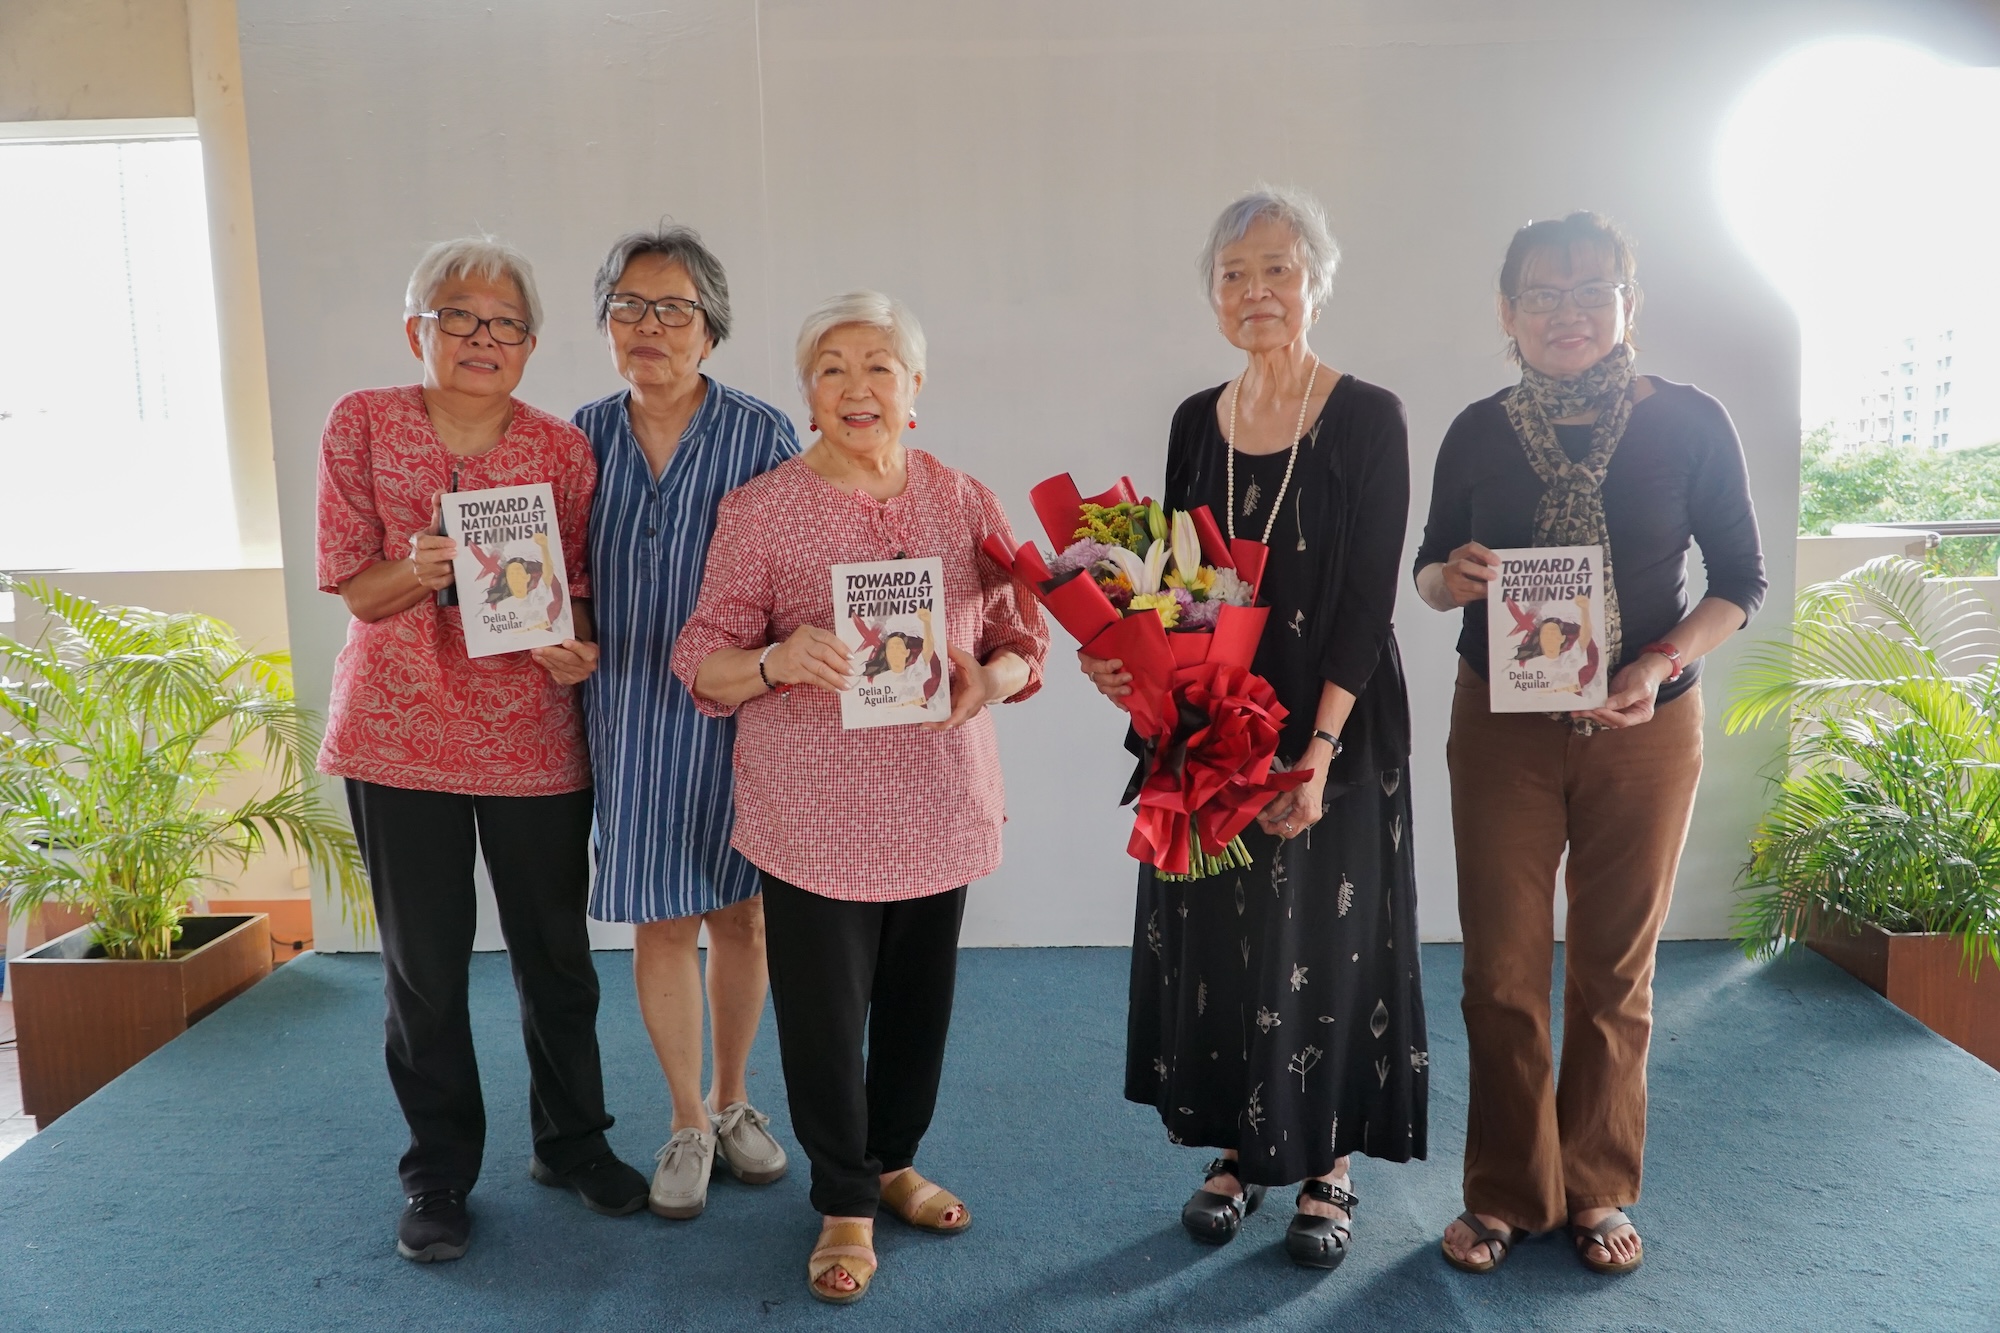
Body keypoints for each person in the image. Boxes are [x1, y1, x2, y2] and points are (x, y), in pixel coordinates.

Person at [673, 291, 1047, 1304]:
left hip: (938, 799)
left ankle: (893, 1162)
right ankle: (843, 1197)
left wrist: (990, 680)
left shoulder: (964, 499)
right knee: (826, 1018)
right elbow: (699, 660)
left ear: (914, 390)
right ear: (807, 394)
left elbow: (1025, 637)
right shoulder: (761, 511)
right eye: (830, 367)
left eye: (878, 365)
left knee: (918, 1008)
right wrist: (778, 657)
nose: (855, 386)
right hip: (815, 816)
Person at [1080, 188, 1427, 1270]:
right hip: (1208, 729)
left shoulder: (1366, 414)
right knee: (1224, 939)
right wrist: (1127, 666)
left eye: (1277, 269)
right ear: (1213, 296)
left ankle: (1327, 1162)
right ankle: (1234, 1143)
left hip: (1332, 718)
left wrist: (1316, 753)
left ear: (1315, 280)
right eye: (1233, 275)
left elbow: (1368, 600)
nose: (1256, 292)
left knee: (1328, 937)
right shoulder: (1196, 419)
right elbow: (1176, 589)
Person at [1414, 212, 1765, 1276]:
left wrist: (1656, 664)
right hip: (1500, 728)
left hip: (1645, 729)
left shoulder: (1690, 422)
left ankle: (1598, 1185)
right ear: (1505, 311)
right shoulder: (1477, 428)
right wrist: (1455, 578)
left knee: (1614, 968)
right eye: (1540, 293)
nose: (1563, 312)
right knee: (1501, 971)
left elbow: (1737, 581)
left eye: (1586, 291)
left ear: (1626, 303)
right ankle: (1509, 1192)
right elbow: (1427, 575)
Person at [315, 236, 649, 1265]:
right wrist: (415, 570)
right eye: (458, 317)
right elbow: (356, 589)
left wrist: (575, 646)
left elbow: (583, 589)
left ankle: (572, 1140)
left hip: (530, 735)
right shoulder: (362, 423)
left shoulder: (562, 449)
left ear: (533, 345)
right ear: (417, 329)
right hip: (398, 733)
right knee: (423, 966)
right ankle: (438, 1170)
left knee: (554, 952)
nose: (481, 339)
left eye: (504, 324)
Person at [573, 225, 799, 1222]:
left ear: (710, 328)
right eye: (628, 307)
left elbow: (795, 574)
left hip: (741, 711)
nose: (649, 327)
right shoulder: (574, 436)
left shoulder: (761, 435)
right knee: (659, 917)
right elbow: (554, 578)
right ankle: (682, 1116)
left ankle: (736, 1096)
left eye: (672, 309)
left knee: (742, 910)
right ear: (606, 325)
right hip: (623, 710)